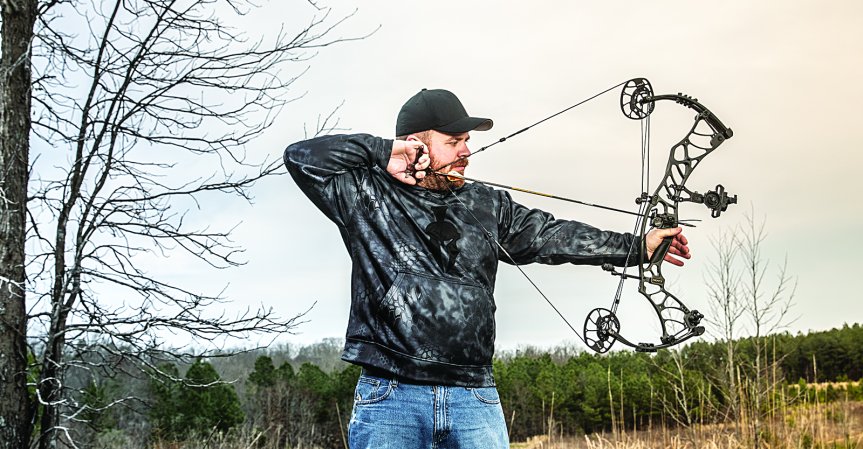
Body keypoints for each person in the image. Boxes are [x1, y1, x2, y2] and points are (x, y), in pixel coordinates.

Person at [283, 88, 690, 448]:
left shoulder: (487, 205)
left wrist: (637, 246)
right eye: (454, 141)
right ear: (416, 145)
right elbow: (301, 157)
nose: (466, 151)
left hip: (473, 395)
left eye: (467, 141)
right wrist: (382, 151)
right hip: (392, 395)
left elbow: (552, 235)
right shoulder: (365, 194)